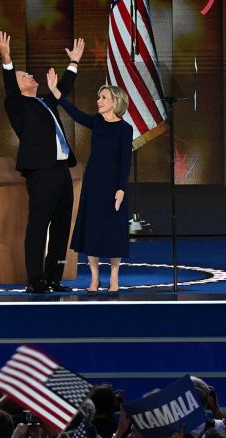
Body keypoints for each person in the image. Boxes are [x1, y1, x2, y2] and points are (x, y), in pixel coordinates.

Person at [0, 31, 85, 293]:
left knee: (61, 228)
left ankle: (54, 276)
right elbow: (10, 85)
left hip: (61, 170)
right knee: (38, 226)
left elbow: (62, 90)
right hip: (41, 172)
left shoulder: (44, 102)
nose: (31, 77)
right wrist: (6, 59)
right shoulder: (16, 104)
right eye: (26, 76)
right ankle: (35, 280)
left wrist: (74, 63)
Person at [46, 71, 132, 292]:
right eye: (98, 97)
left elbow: (125, 161)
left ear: (116, 102)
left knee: (113, 231)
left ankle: (114, 277)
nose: (99, 101)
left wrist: (121, 189)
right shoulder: (96, 122)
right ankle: (94, 278)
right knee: (92, 230)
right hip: (93, 183)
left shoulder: (125, 128)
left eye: (103, 97)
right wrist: (56, 91)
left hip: (114, 186)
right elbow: (74, 113)